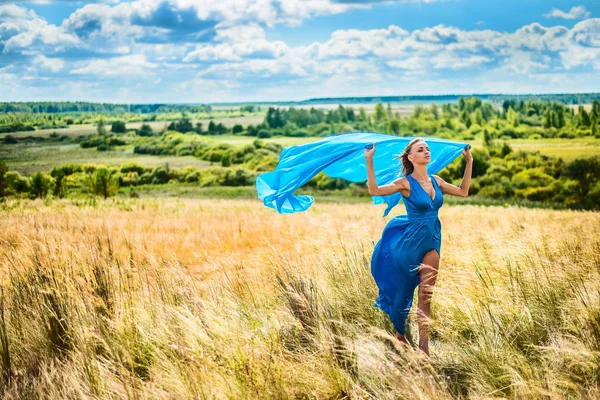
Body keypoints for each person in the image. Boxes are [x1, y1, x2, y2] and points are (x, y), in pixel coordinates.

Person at [364, 137, 473, 356]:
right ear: (411, 157)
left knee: (426, 295)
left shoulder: (437, 181)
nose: (426, 151)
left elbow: (463, 191)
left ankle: (424, 351)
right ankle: (400, 334)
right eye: (420, 149)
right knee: (402, 292)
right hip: (409, 243)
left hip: (432, 239)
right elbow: (374, 190)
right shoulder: (405, 183)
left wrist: (468, 161)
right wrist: (369, 160)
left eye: (427, 148)